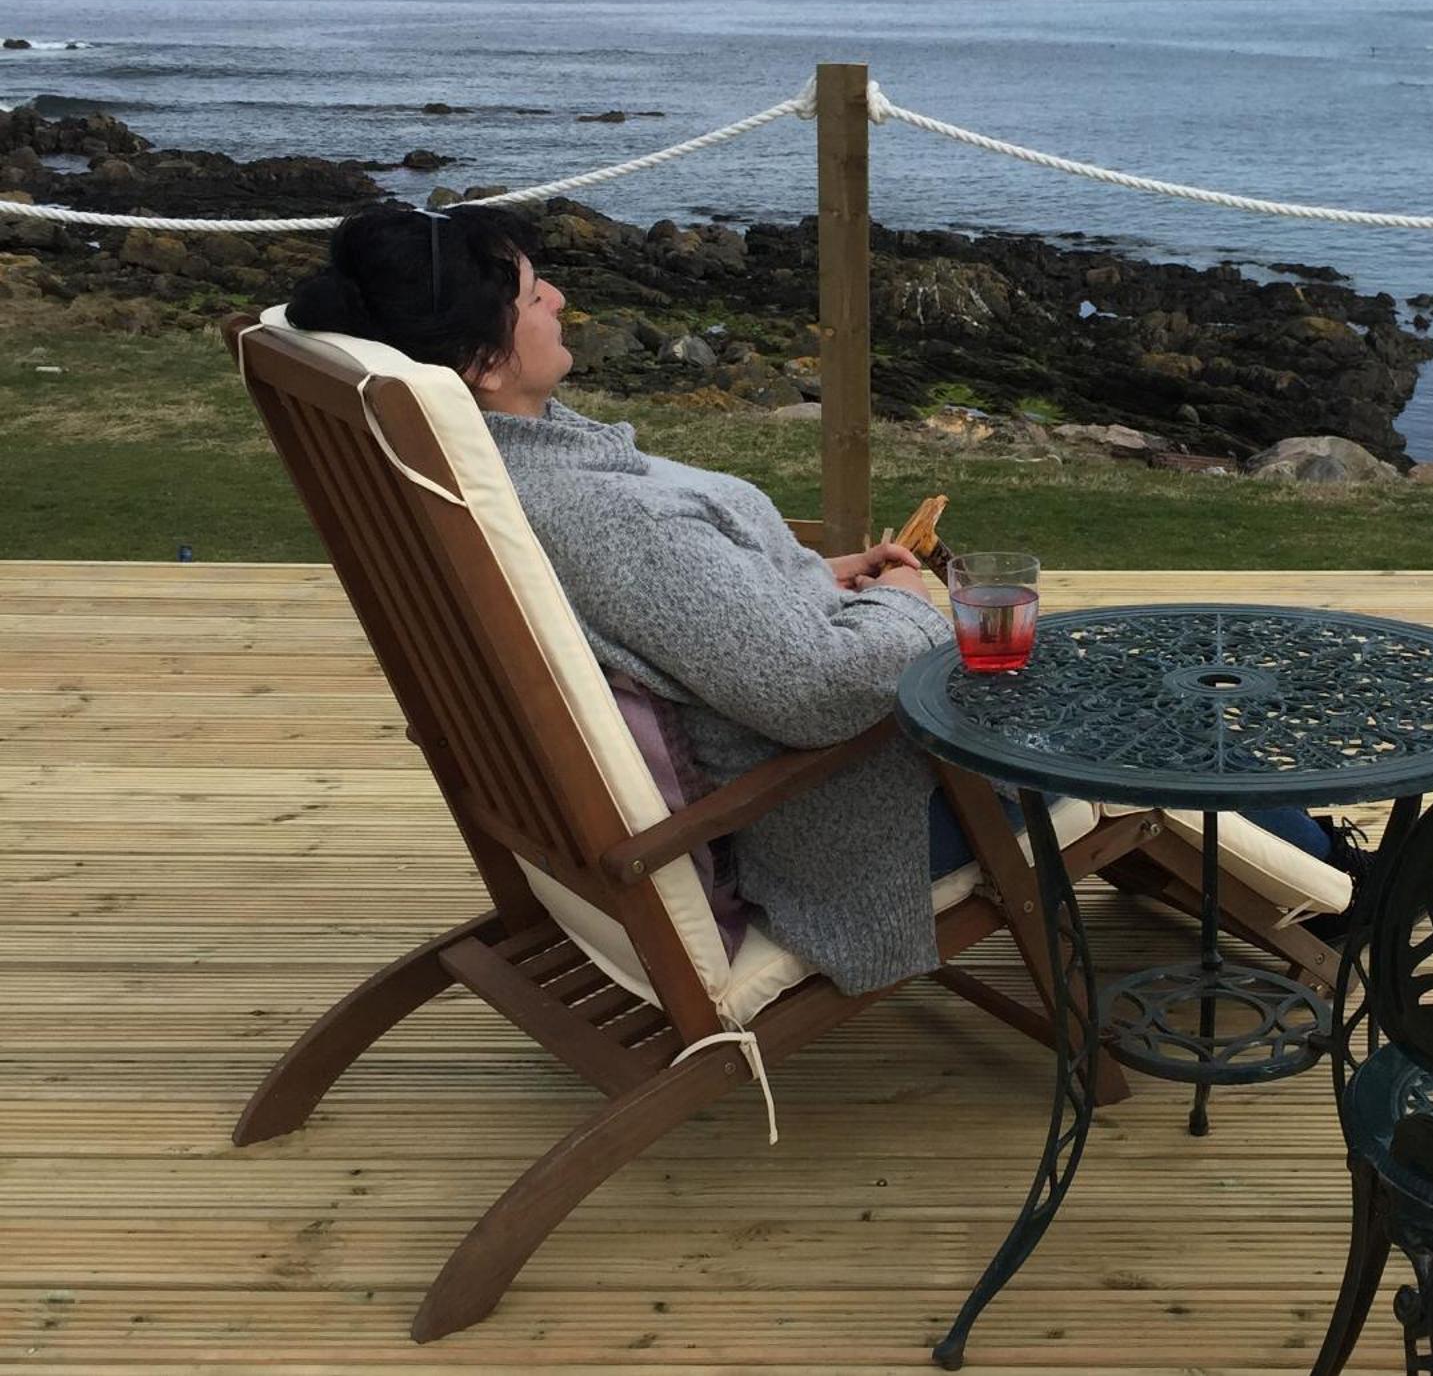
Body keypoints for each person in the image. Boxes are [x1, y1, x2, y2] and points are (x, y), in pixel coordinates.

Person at [287, 202, 1347, 992]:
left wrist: (804, 577)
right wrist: (911, 613)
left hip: (771, 744)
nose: (559, 296)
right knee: (1128, 703)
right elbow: (810, 693)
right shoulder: (597, 517)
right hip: (843, 820)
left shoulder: (487, 471)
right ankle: (1340, 894)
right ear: (478, 361)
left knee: (1102, 683)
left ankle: (1299, 851)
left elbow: (692, 621)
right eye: (530, 295)